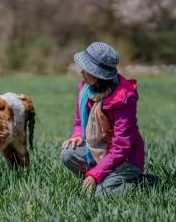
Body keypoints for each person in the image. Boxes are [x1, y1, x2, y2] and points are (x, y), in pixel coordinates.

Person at [60, 42, 156, 195]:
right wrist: (77, 135)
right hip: (99, 153)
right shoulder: (86, 90)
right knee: (68, 154)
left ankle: (143, 182)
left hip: (125, 160)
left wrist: (96, 174)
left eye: (86, 68)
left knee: (101, 195)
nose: (81, 71)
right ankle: (101, 178)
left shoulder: (123, 99)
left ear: (98, 74)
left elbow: (121, 147)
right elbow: (79, 122)